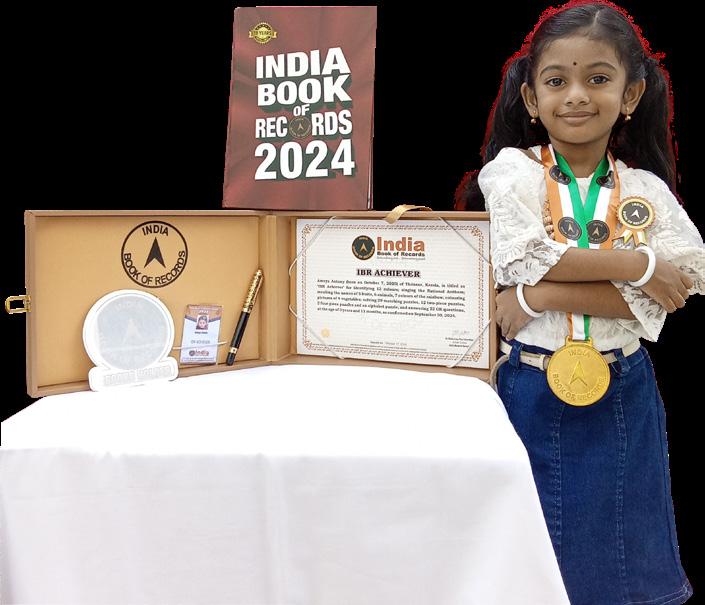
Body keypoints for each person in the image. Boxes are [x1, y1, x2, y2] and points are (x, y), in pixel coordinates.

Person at [456, 1, 704, 604]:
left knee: (620, 566)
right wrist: (639, 265)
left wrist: (539, 295)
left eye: (598, 78)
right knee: (524, 553)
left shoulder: (645, 190)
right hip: (528, 387)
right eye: (556, 81)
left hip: (622, 389)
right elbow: (521, 257)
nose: (576, 96)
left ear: (630, 94)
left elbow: (678, 286)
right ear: (531, 98)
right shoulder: (511, 173)